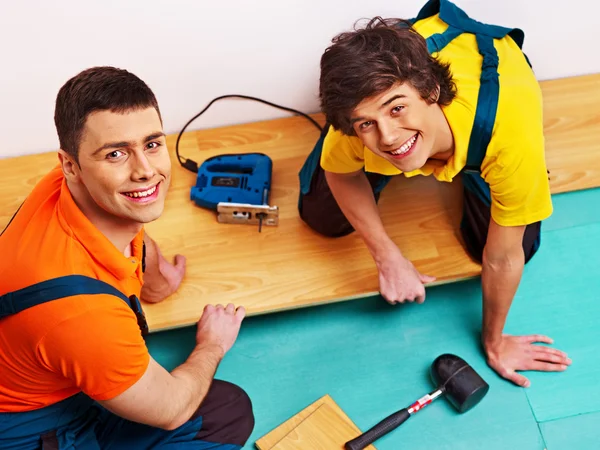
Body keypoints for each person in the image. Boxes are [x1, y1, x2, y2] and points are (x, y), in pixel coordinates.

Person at [298, 0, 572, 387]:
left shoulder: (509, 137)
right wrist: (387, 256)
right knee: (322, 216)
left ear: (431, 91)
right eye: (366, 124)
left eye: (396, 110)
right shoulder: (358, 122)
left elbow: (502, 257)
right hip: (413, 70)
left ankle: (471, 169)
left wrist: (494, 344)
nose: (388, 136)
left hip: (485, 120)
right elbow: (341, 175)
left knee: (511, 245)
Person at [0, 66, 254, 449]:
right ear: (70, 165)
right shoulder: (83, 317)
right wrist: (211, 345)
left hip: (43, 368)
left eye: (151, 144)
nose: (146, 171)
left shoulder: (66, 186)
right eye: (117, 153)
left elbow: (129, 213)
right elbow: (171, 410)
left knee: (224, 406)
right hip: (33, 429)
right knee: (219, 417)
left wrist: (155, 276)